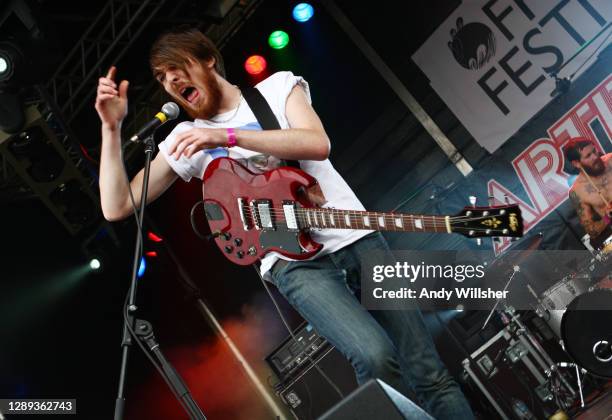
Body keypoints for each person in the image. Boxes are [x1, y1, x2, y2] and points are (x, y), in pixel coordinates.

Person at [95, 27, 474, 419]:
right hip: (294, 264)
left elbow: (316, 142)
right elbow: (118, 205)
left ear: (208, 60)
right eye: (161, 76)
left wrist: (227, 136)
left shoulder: (277, 88)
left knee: (427, 370)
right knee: (374, 356)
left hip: (355, 235)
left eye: (178, 67)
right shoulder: (188, 136)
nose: (171, 80)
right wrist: (110, 129)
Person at [564, 138, 612, 247]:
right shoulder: (577, 191)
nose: (595, 157)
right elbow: (592, 231)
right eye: (588, 156)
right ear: (576, 163)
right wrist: (607, 217)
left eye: (594, 151)